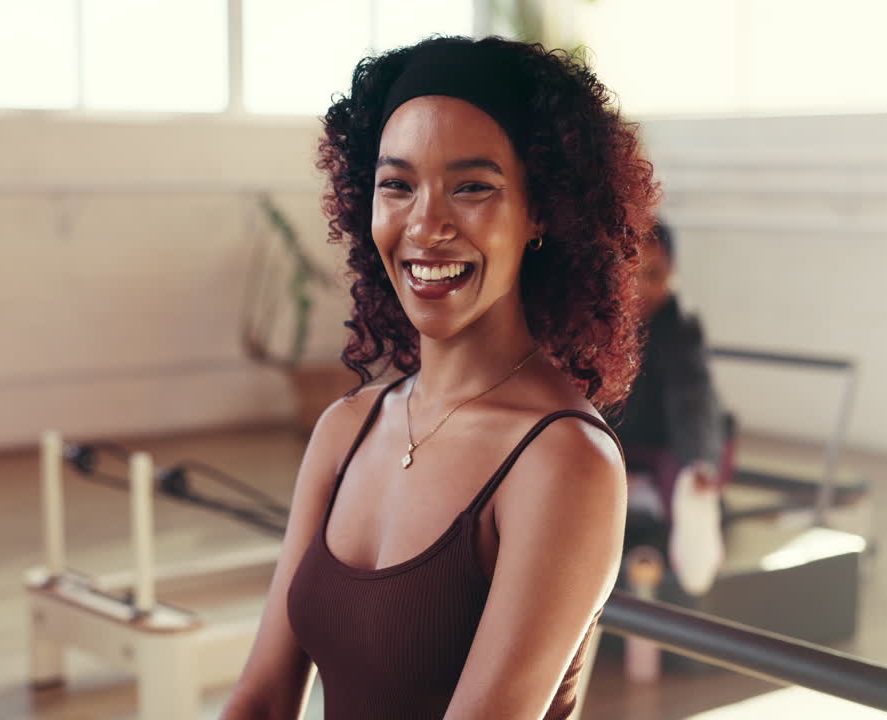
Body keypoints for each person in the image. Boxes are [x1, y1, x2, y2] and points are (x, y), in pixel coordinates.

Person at [221, 36, 658, 720]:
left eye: (473, 187)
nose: (426, 225)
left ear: (541, 210)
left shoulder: (564, 461)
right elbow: (260, 700)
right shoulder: (347, 429)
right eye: (397, 185)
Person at [613, 220, 728, 598]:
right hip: (616, 444)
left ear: (673, 273)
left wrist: (697, 460)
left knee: (686, 474)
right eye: (631, 276)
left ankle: (692, 501)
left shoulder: (681, 329)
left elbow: (691, 399)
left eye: (654, 275)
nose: (641, 288)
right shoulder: (602, 326)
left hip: (667, 445)